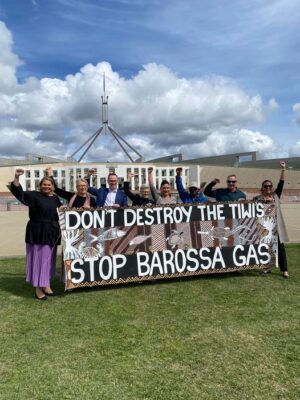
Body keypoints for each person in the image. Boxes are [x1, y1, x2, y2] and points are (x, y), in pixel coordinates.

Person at [10, 169, 61, 300]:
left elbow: (59, 212)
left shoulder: (55, 198)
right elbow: (18, 192)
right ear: (40, 185)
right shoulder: (34, 195)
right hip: (38, 230)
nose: (47, 186)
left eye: (49, 185)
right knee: (41, 260)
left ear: (52, 186)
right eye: (44, 184)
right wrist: (17, 177)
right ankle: (38, 289)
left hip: (52, 232)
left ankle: (46, 284)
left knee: (49, 259)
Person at [253, 161, 289, 278]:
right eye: (266, 186)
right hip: (263, 227)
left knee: (280, 247)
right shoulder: (257, 199)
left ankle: (284, 270)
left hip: (276, 226)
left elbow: (281, 184)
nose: (268, 188)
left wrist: (283, 169)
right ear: (262, 188)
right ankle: (267, 267)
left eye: (270, 186)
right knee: (265, 247)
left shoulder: (275, 196)